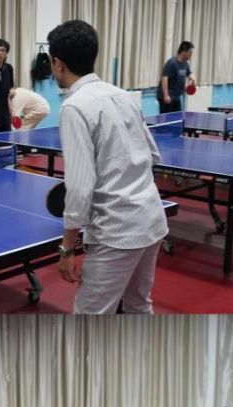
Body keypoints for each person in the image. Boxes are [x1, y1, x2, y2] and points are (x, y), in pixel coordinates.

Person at [49, 20, 169, 313]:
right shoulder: (123, 95)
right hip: (152, 220)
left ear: (58, 63)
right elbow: (153, 155)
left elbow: (80, 186)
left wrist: (67, 247)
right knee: (139, 306)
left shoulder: (74, 107)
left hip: (117, 232)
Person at [159, 41, 196, 114]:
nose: (191, 54)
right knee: (167, 118)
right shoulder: (172, 63)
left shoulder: (185, 63)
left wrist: (193, 79)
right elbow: (164, 78)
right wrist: (166, 95)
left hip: (176, 97)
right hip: (167, 96)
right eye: (190, 52)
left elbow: (190, 74)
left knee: (178, 116)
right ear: (183, 51)